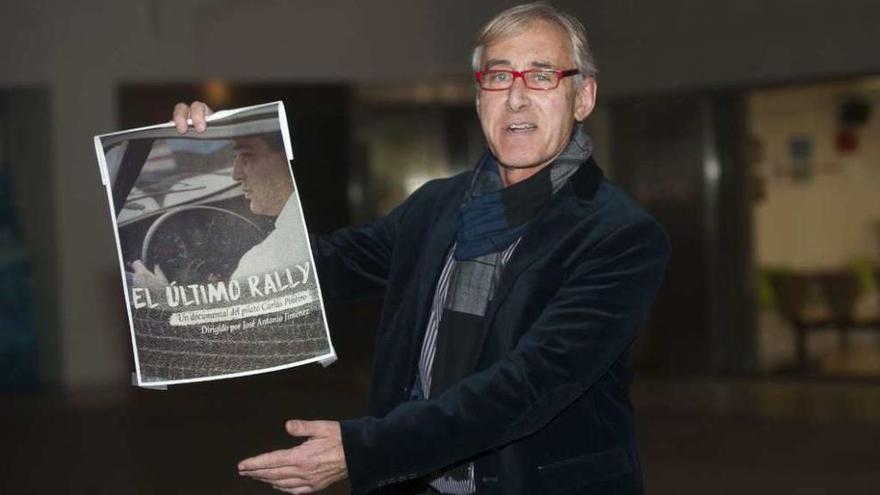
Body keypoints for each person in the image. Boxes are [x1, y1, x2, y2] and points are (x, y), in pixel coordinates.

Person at [174, 3, 669, 494]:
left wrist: (366, 450)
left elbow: (528, 387)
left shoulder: (619, 236)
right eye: (498, 77)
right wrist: (212, 153)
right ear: (479, 99)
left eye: (541, 76)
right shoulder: (436, 206)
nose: (516, 98)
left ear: (583, 97)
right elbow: (321, 269)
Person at [130, 132, 308, 286]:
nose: (235, 174)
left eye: (247, 156)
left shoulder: (258, 264)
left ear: (287, 158)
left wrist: (162, 298)